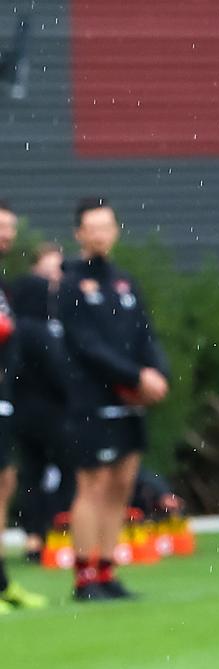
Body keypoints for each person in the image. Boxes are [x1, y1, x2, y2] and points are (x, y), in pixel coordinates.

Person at [61, 197, 169, 602]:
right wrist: (133, 375)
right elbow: (86, 345)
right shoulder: (71, 283)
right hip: (91, 401)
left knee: (122, 484)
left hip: (131, 403)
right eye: (93, 227)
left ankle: (107, 569)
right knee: (93, 485)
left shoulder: (125, 282)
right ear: (80, 234)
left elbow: (145, 335)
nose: (101, 234)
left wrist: (156, 374)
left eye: (108, 226)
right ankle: (84, 575)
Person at [12, 243, 75, 564]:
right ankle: (56, 529)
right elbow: (59, 370)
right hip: (49, 411)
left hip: (21, 411)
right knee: (69, 469)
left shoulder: (17, 326)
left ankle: (34, 537)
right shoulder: (41, 327)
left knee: (31, 475)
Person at [0, 199, 48, 613]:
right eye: (2, 226)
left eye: (11, 227)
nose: (8, 234)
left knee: (5, 485)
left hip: (5, 401)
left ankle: (1, 584)